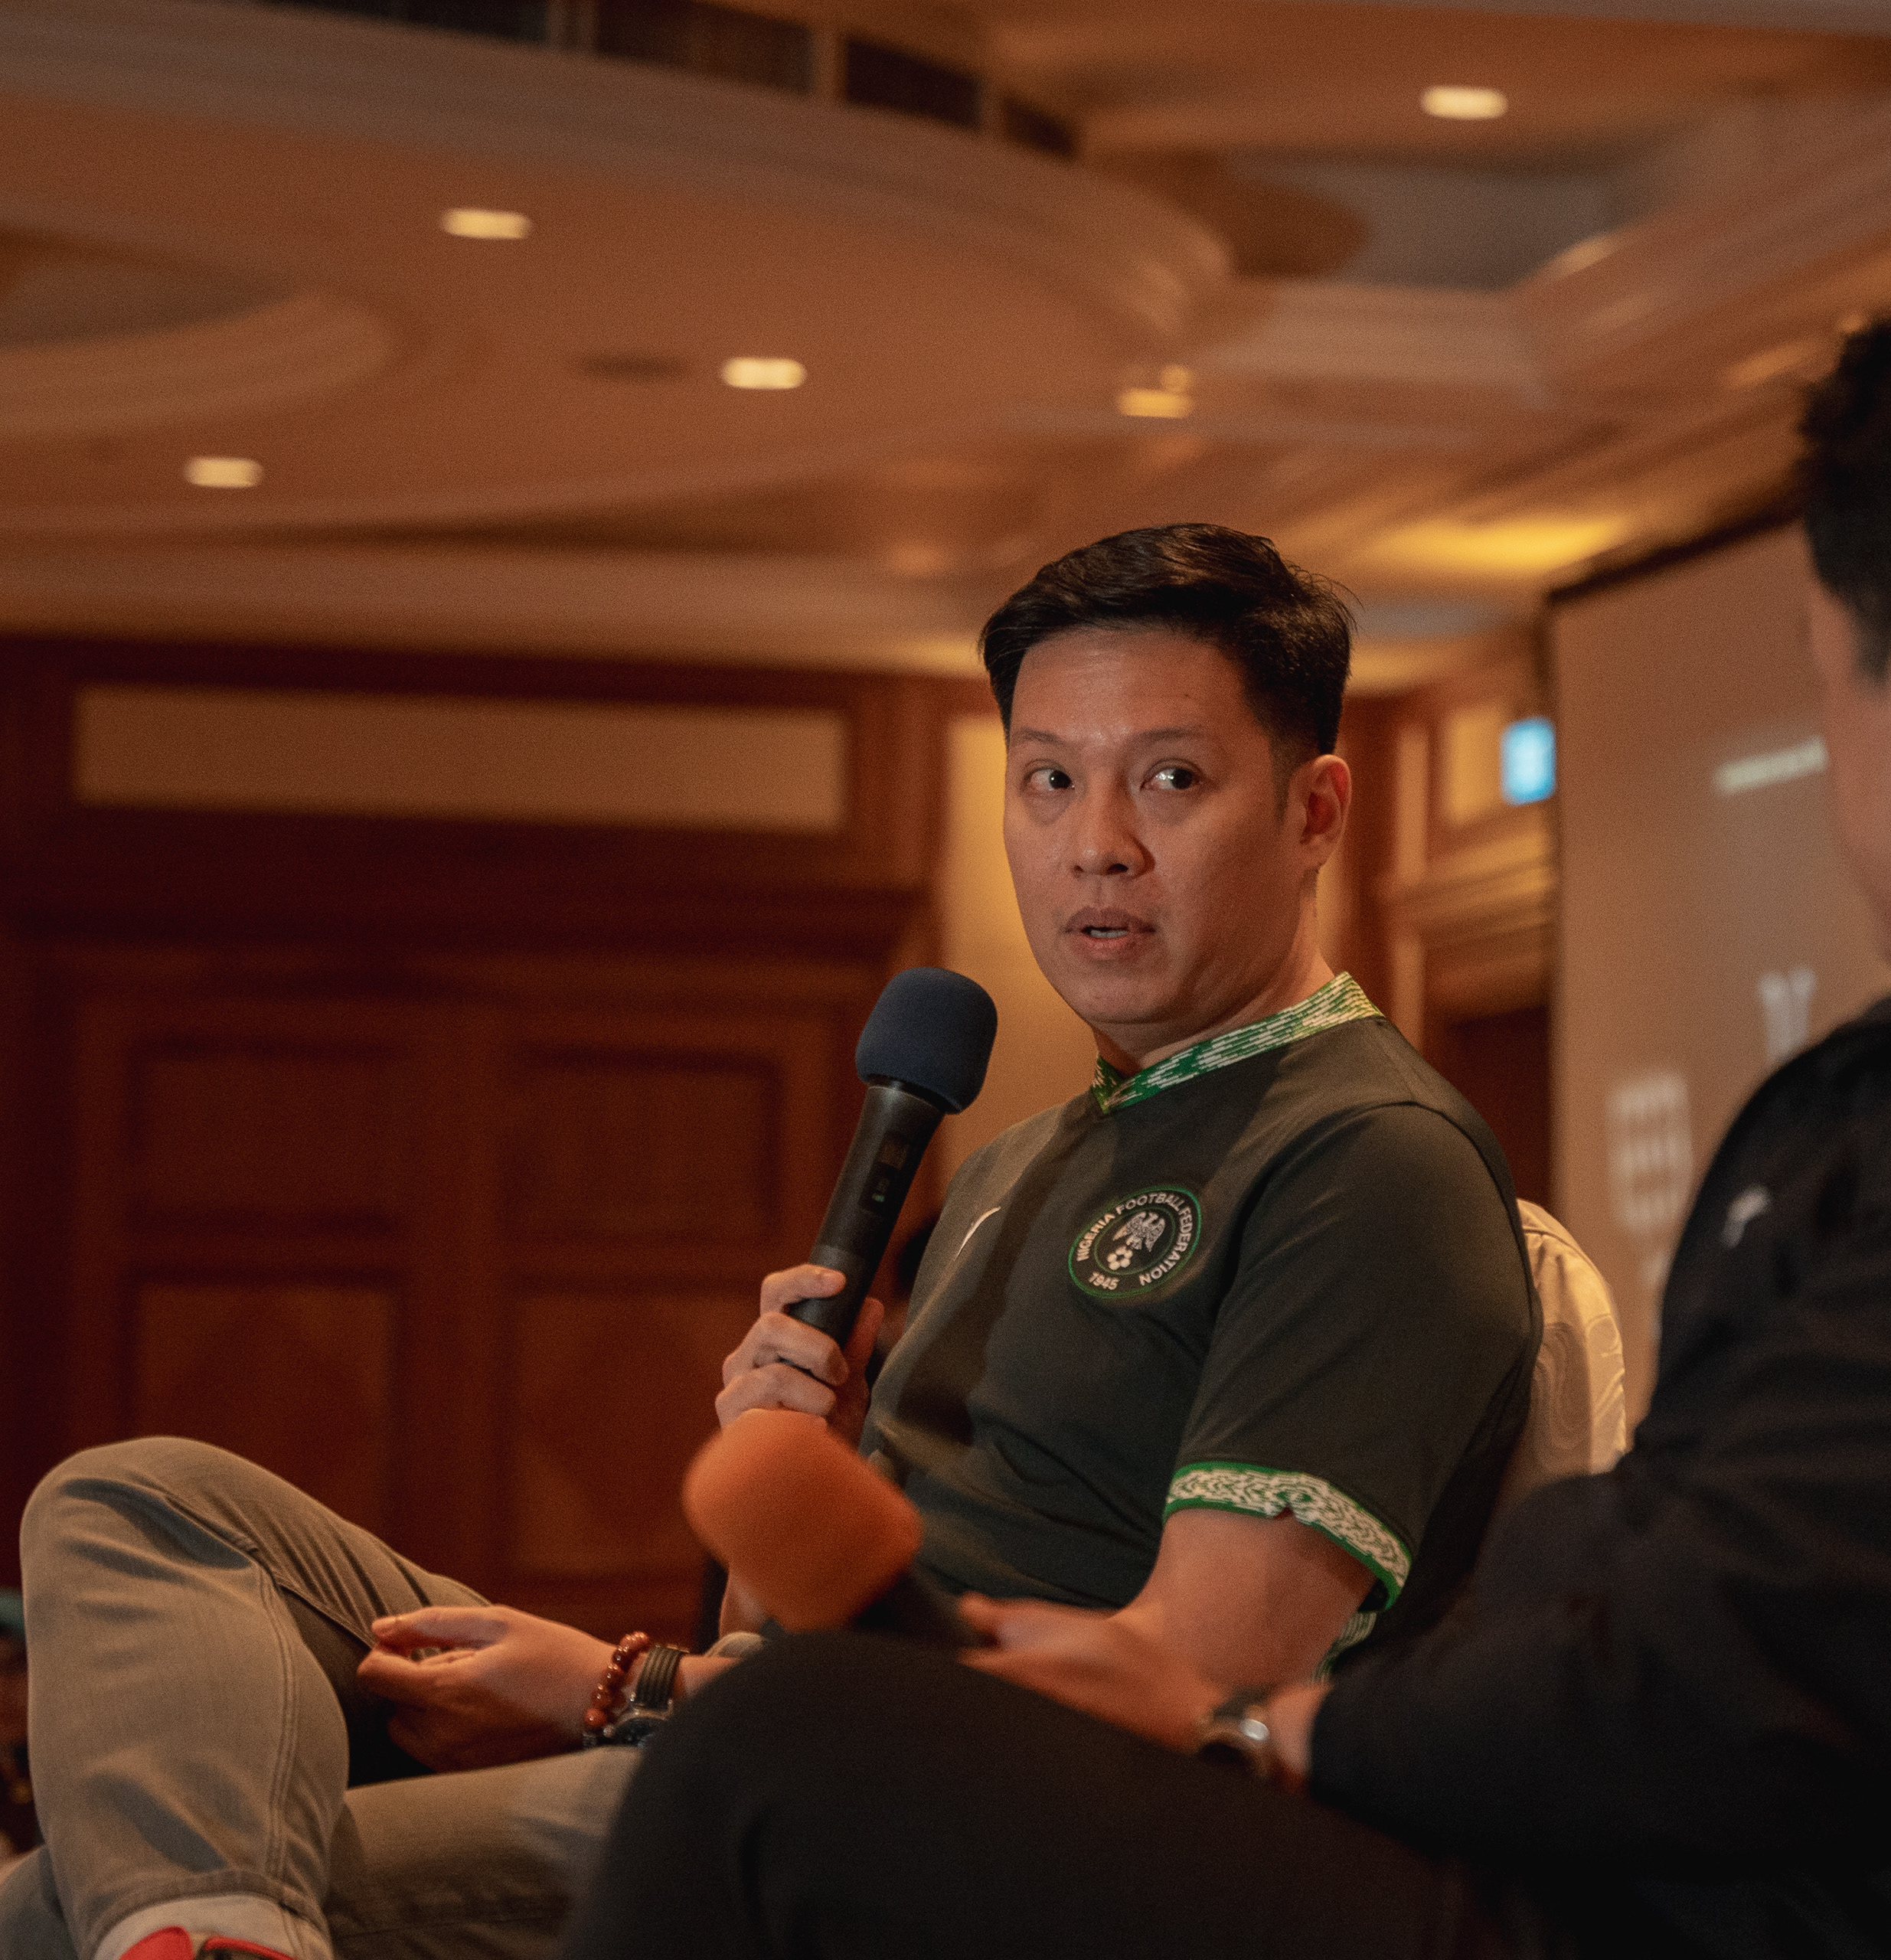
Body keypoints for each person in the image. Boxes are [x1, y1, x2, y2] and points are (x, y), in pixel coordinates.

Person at [557, 284, 1891, 1960]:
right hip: (1616, 1863)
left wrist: (1269, 1733)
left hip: (1677, 1917)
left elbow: (1733, 1672)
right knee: (816, 1744)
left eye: (1825, 687)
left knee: (781, 1764)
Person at [1, 525, 1537, 1960]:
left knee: (49, 1912)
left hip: (983, 1833)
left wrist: (627, 1690)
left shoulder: (1365, 1157)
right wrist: (795, 1466)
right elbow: (787, 1626)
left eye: (1172, 779)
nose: (1097, 845)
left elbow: (1191, 1690)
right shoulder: (1014, 1158)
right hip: (780, 1727)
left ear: (1314, 809)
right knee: (143, 1503)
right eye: (1049, 781)